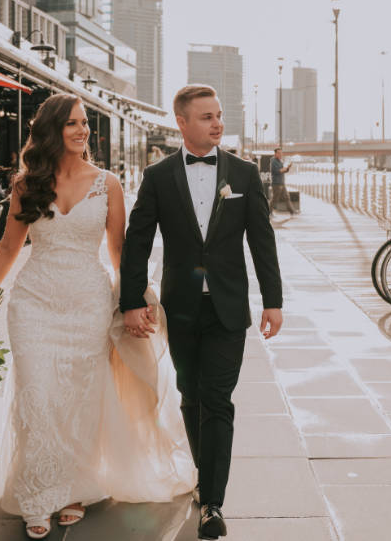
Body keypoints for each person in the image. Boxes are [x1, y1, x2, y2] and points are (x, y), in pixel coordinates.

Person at [0, 94, 194, 539]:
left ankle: (74, 489)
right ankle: (37, 493)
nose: (82, 131)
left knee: (80, 396)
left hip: (88, 303)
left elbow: (118, 251)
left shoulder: (107, 183)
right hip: (34, 302)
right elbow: (9, 246)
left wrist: (134, 298)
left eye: (85, 123)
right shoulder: (26, 184)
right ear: (52, 130)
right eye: (72, 123)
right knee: (38, 393)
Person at [120, 84, 284, 540]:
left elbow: (262, 241)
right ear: (182, 122)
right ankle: (199, 473)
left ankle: (212, 501)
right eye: (207, 116)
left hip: (229, 308)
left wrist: (274, 300)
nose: (217, 123)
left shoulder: (246, 174)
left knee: (217, 400)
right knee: (191, 396)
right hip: (182, 307)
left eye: (219, 115)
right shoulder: (158, 176)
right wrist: (131, 300)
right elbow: (136, 242)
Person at [269, 148, 295, 215]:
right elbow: (277, 171)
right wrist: (285, 169)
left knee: (287, 197)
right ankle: (268, 211)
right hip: (276, 183)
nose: (281, 154)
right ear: (275, 154)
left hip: (282, 182)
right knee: (275, 198)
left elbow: (283, 171)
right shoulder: (273, 161)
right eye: (279, 153)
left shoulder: (280, 161)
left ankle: (292, 211)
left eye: (281, 153)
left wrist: (288, 168)